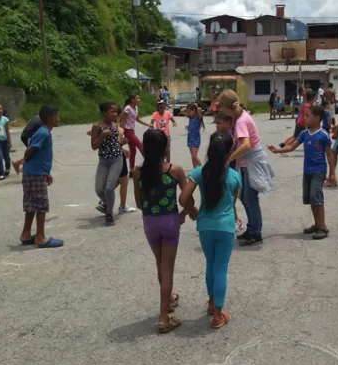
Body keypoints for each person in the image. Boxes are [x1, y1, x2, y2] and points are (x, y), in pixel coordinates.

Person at [134, 129, 195, 334]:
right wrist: (187, 213)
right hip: (169, 221)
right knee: (168, 267)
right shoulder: (174, 170)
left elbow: (139, 204)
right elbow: (187, 198)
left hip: (150, 223)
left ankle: (168, 300)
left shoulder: (138, 172)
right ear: (165, 147)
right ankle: (163, 318)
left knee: (160, 264)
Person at [179, 131, 241, 329]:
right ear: (229, 151)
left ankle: (212, 302)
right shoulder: (234, 176)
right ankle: (218, 315)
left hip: (205, 226)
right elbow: (233, 202)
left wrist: (191, 209)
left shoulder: (199, 172)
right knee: (221, 267)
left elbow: (183, 198)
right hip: (225, 227)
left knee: (211, 263)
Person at [268, 104, 336, 240]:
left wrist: (332, 173)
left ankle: (323, 227)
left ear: (317, 118)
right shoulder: (304, 133)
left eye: (307, 116)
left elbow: (329, 154)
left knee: (317, 198)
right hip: (307, 171)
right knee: (311, 198)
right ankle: (317, 224)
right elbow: (292, 146)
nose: (304, 118)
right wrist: (278, 150)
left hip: (318, 171)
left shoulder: (323, 135)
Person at [219, 89, 274, 246]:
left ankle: (256, 232)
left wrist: (228, 159)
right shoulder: (239, 118)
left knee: (250, 198)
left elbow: (246, 145)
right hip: (245, 163)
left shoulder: (241, 121)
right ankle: (251, 228)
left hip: (251, 162)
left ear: (228, 107)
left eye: (222, 107)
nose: (221, 111)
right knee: (244, 197)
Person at [19, 105, 63, 249]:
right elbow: (31, 150)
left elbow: (40, 155)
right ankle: (40, 237)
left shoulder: (43, 132)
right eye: (57, 116)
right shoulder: (43, 133)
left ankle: (26, 234)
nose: (59, 119)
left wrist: (46, 172)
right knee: (41, 205)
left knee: (31, 204)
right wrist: (27, 160)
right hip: (35, 174)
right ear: (51, 118)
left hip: (36, 172)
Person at [91, 102, 124, 226]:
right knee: (99, 189)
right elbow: (94, 146)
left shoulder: (116, 125)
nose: (115, 114)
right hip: (104, 161)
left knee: (109, 187)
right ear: (104, 113)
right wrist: (102, 136)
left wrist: (123, 145)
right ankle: (107, 205)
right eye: (112, 111)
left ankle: (109, 214)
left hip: (116, 159)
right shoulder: (97, 127)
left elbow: (116, 142)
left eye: (116, 111)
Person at [120, 94, 152, 174]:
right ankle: (150, 165)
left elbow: (137, 119)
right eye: (137, 98)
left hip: (131, 130)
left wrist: (148, 124)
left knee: (133, 151)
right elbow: (122, 120)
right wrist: (121, 134)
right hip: (127, 130)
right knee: (141, 146)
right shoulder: (127, 108)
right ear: (132, 100)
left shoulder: (136, 107)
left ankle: (131, 170)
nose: (139, 100)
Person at [185, 103, 203, 168]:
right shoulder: (190, 118)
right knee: (192, 157)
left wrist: (195, 106)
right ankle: (195, 169)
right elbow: (182, 111)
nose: (188, 113)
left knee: (194, 156)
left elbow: (199, 109)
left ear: (194, 110)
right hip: (190, 138)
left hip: (196, 138)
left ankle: (202, 168)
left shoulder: (198, 118)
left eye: (190, 111)